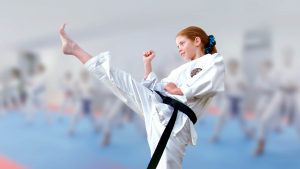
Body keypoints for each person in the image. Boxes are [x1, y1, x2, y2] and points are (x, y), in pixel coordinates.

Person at [59, 24, 225, 169]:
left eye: (182, 43)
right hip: (158, 105)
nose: (179, 49)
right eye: (177, 46)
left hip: (175, 122)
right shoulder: (180, 70)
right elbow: (158, 87)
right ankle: (74, 49)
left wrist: (181, 90)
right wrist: (148, 65)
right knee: (118, 79)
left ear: (197, 41)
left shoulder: (213, 61)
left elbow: (212, 82)